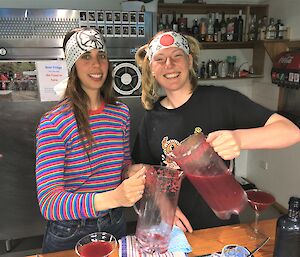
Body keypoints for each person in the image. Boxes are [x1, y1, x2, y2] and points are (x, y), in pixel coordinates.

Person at [132, 30, 300, 233]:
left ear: (189, 60)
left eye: (177, 55)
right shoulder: (151, 117)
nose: (169, 64)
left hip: (219, 226)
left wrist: (240, 138)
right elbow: (141, 170)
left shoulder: (221, 100)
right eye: (160, 59)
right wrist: (162, 204)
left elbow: (290, 131)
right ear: (152, 68)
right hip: (172, 228)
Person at [35, 27, 145, 253]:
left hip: (115, 222)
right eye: (86, 57)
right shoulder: (54, 123)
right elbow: (49, 203)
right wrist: (114, 197)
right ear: (73, 65)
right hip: (70, 232)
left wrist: (131, 171)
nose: (97, 65)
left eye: (101, 56)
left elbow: (122, 166)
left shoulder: (121, 113)